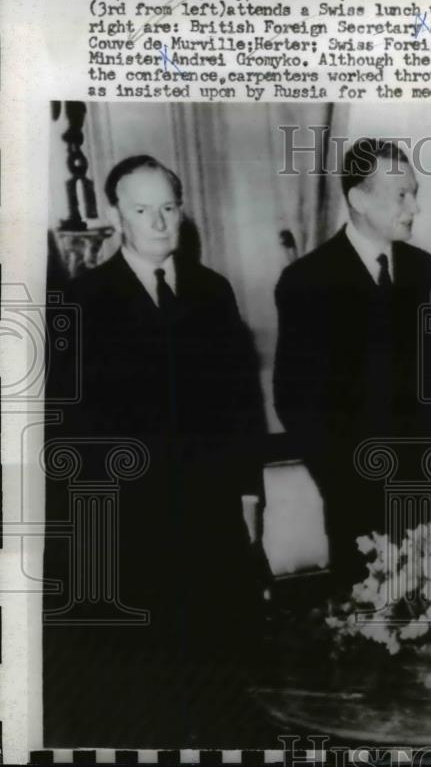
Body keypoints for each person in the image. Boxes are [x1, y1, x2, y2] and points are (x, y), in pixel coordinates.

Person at [44, 155, 267, 746]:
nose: (161, 222)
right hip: (132, 527)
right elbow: (69, 425)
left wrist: (249, 494)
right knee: (150, 684)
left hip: (212, 518)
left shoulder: (212, 292)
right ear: (119, 216)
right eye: (144, 210)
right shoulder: (84, 300)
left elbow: (242, 405)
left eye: (169, 207)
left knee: (222, 676)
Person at [273, 139, 431, 594]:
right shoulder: (306, 281)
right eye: (401, 195)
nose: (414, 206)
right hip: (358, 509)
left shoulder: (426, 271)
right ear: (358, 198)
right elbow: (295, 403)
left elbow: (429, 387)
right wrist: (345, 487)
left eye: (415, 192)